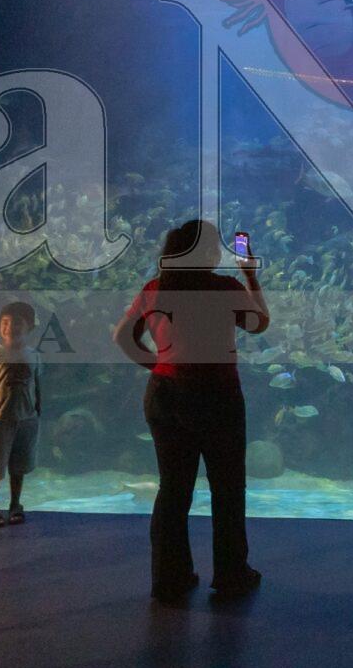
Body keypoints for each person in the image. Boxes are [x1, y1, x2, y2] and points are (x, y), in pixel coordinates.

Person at [112, 220, 269, 602]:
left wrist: (159, 366)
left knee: (173, 489)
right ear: (208, 253)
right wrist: (250, 275)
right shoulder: (225, 288)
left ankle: (170, 578)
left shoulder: (155, 289)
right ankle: (231, 574)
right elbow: (259, 324)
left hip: (165, 395)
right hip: (217, 397)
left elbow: (122, 337)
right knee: (227, 489)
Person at [0, 301, 42, 528]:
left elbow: (37, 386)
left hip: (27, 420)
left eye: (17, 323)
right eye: (5, 323)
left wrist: (37, 413)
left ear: (30, 327)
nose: (10, 327)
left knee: (19, 465)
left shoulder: (34, 355)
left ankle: (15, 504)